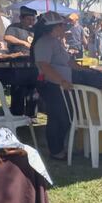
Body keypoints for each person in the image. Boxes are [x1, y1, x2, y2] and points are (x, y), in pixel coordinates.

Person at [31, 12, 75, 160]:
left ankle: (59, 148)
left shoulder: (54, 41)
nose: (65, 28)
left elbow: (66, 62)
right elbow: (44, 65)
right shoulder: (44, 42)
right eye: (63, 25)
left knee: (64, 117)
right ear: (55, 27)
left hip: (60, 86)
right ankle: (55, 151)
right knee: (58, 118)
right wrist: (61, 81)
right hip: (52, 85)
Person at [4, 6, 38, 116]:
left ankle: (31, 114)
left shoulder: (34, 29)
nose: (31, 22)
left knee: (33, 91)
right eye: (29, 19)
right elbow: (7, 37)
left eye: (33, 19)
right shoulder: (14, 27)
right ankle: (16, 114)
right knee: (18, 90)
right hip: (18, 65)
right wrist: (23, 43)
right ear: (21, 18)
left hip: (32, 64)